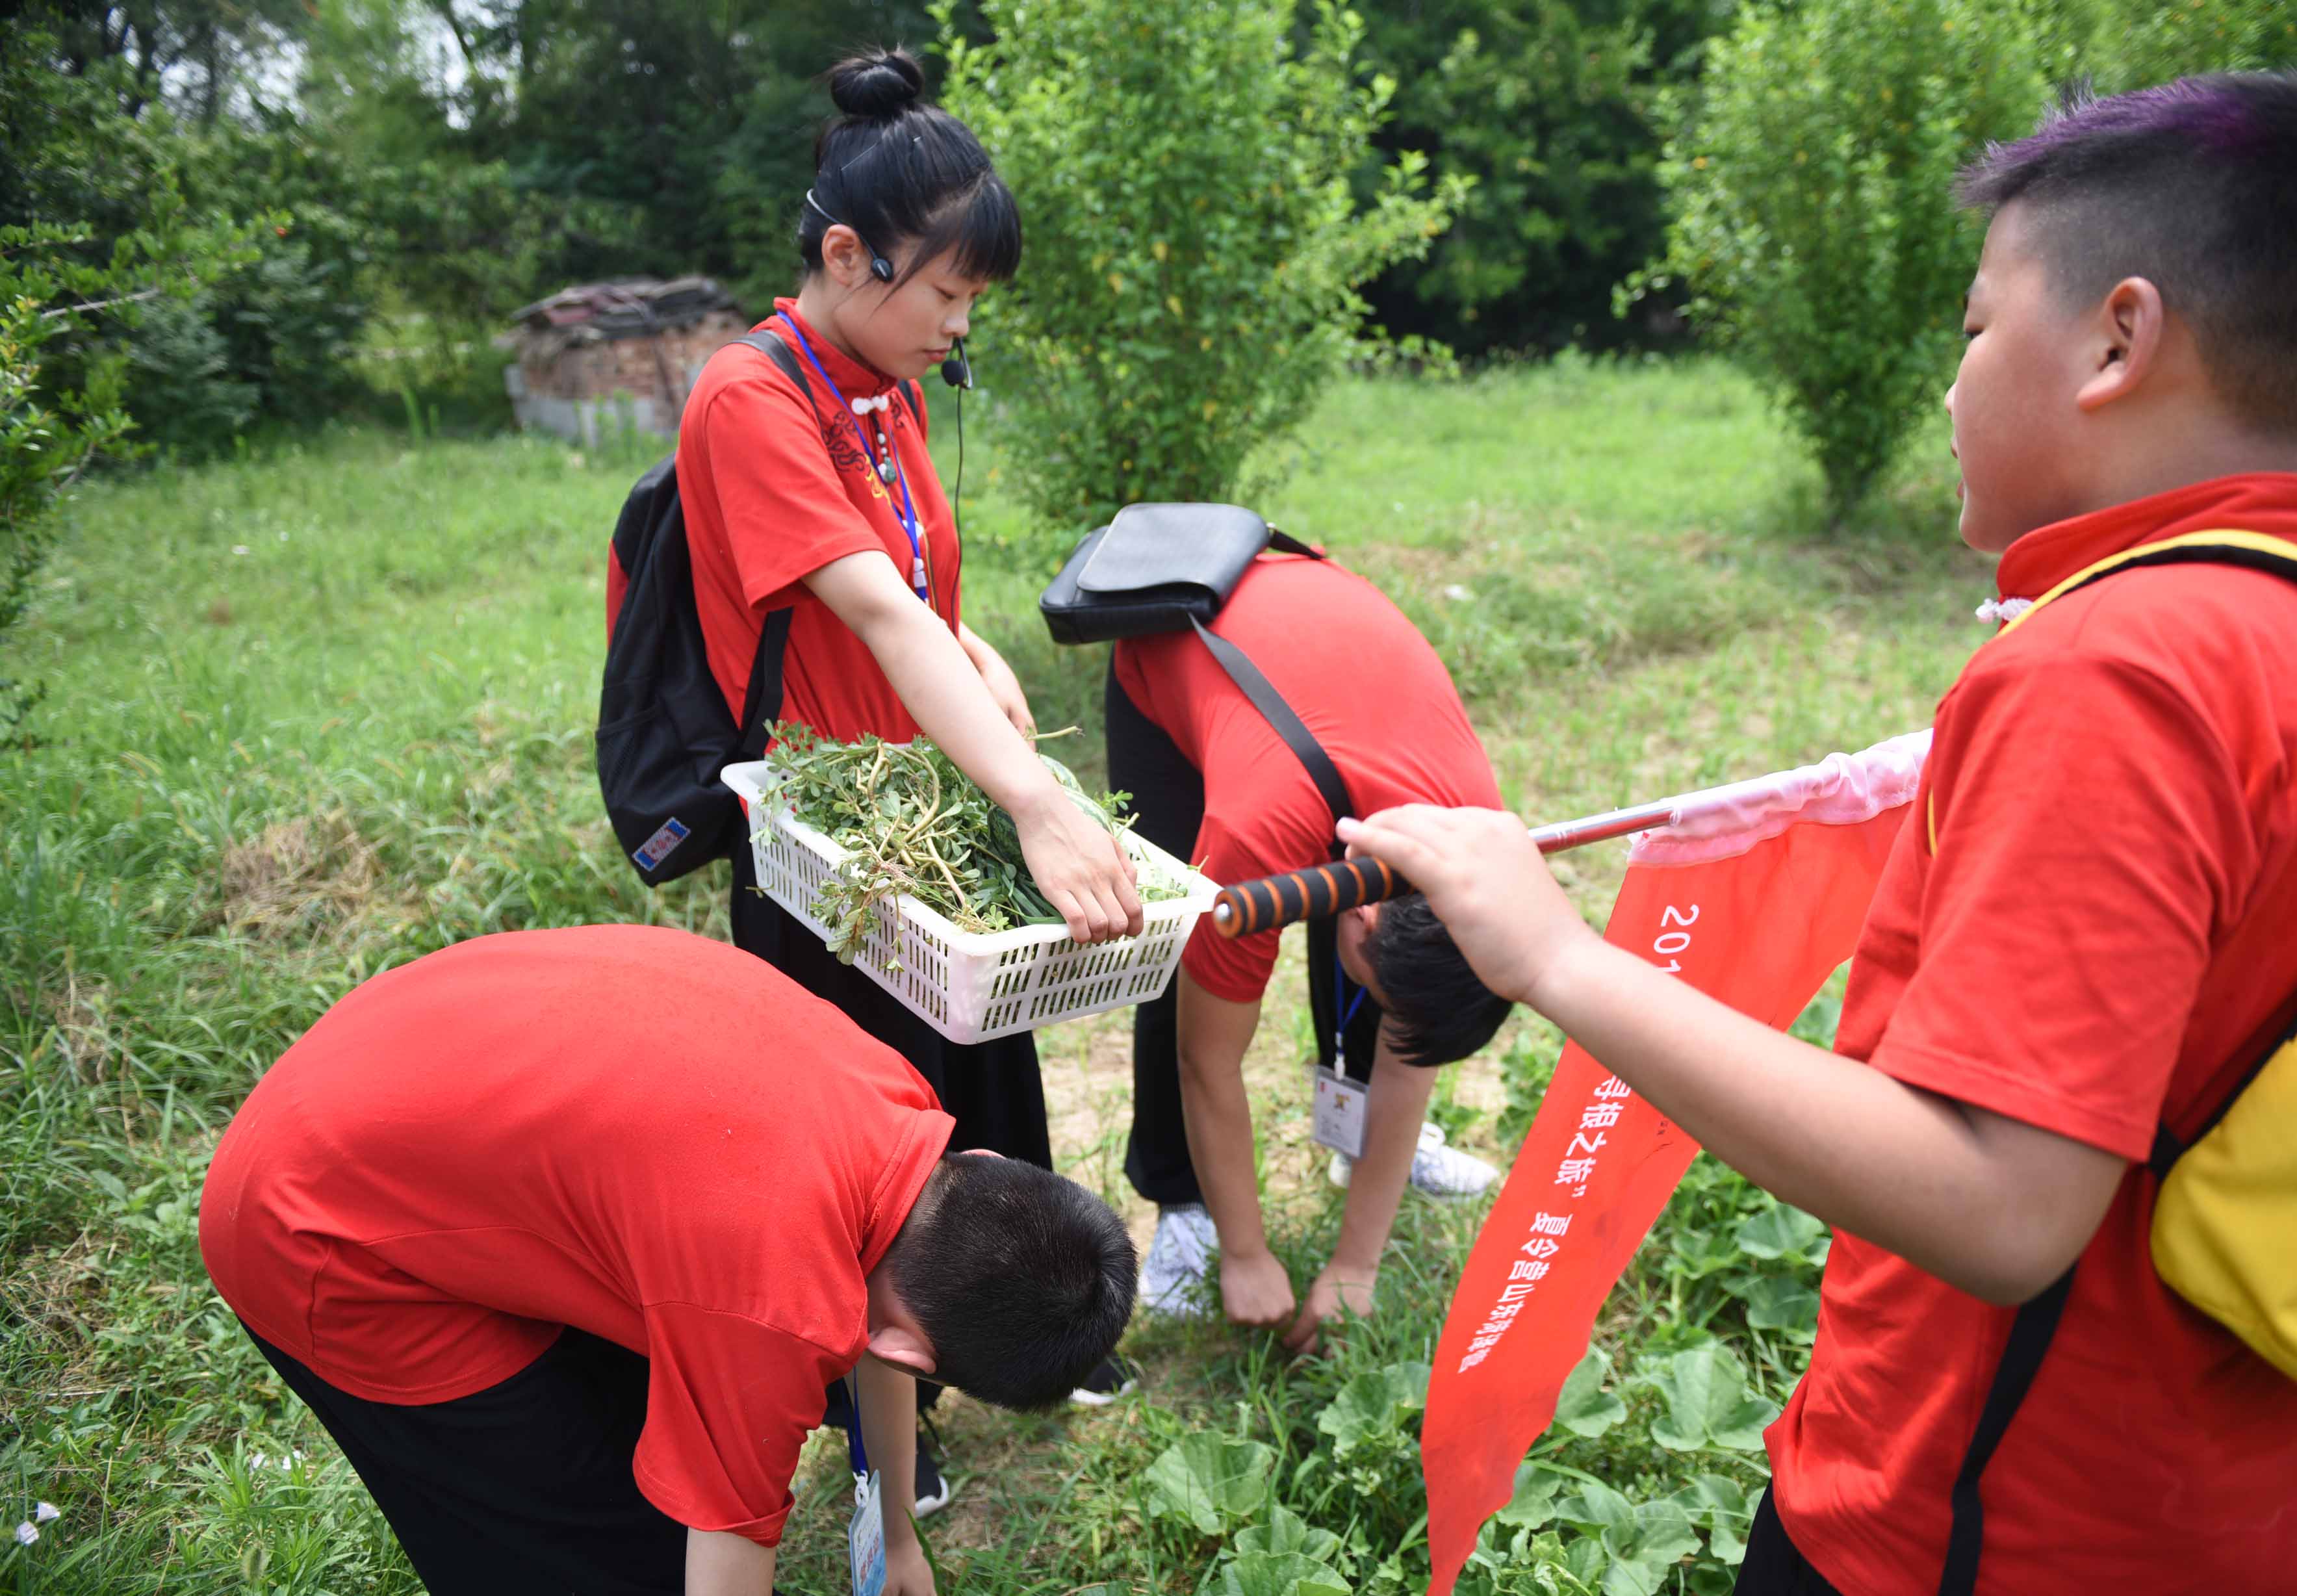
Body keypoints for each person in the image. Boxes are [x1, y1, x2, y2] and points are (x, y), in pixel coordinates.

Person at [1342, 73, 2297, 1596]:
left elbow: (1998, 1203)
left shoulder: (2116, 666)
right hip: (2241, 1492)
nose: (1950, 381)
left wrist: (1554, 954)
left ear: (2115, 336)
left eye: (1973, 327)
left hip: (1989, 1527)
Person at [674, 51, 1143, 1471]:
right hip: (824, 820)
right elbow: (864, 606)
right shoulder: (749, 403)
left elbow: (915, 590)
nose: (956, 322)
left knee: (978, 1072)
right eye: (944, 291)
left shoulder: (885, 383)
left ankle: (1024, 1323)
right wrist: (1036, 792)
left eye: (970, 301)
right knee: (854, 1122)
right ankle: (882, 1412)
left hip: (914, 786)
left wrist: (985, 658)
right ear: (844, 254)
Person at [198, 924, 1136, 1596]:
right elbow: (729, 1547)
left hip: (391, 1065)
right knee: (597, 1563)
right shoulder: (771, 1304)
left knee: (629, 1468)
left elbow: (880, 1333)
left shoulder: (900, 1111)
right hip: (315, 1230)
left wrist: (897, 1544)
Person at [1109, 550, 1515, 1352]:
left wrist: (1354, 1265)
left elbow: (1415, 1034)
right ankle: (1183, 1199)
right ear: (1356, 917)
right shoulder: (1254, 838)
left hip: (1320, 657)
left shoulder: (1480, 843)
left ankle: (1358, 1147)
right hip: (1179, 639)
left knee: (1403, 988)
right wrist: (1247, 1251)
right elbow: (1209, 1061)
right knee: (1173, 947)